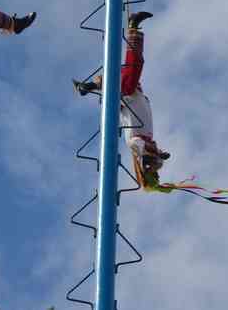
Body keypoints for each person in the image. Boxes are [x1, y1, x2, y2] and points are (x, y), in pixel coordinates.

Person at [73, 11, 170, 188]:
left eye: (149, 164)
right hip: (134, 92)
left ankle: (133, 26)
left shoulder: (134, 142)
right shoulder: (149, 141)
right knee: (129, 69)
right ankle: (88, 86)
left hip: (127, 95)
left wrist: (150, 158)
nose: (153, 158)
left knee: (133, 67)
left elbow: (142, 149)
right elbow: (154, 154)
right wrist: (159, 155)